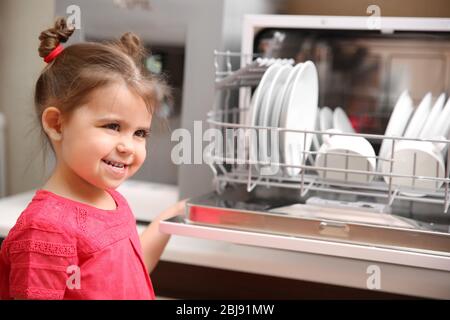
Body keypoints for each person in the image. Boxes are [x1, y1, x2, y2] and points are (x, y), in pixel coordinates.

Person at [0, 17, 185, 300]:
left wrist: (171, 218)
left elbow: (128, 276)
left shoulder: (111, 199)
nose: (128, 146)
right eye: (112, 126)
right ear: (57, 124)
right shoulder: (45, 230)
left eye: (139, 133)